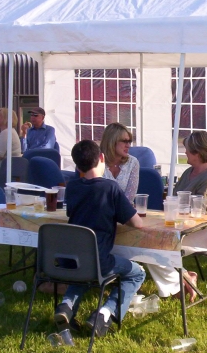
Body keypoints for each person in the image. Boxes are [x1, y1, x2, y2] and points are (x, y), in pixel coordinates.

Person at [54, 140, 145, 337]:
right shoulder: (110, 188)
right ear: (102, 158)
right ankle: (104, 314)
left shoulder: (72, 187)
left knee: (84, 271)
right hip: (99, 260)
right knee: (137, 274)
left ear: (78, 167)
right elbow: (137, 223)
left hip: (71, 258)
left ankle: (66, 306)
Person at [148, 131, 207, 302]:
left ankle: (180, 283)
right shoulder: (189, 172)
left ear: (197, 153)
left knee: (153, 244)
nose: (184, 152)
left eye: (187, 149)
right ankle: (183, 278)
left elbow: (205, 219)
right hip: (180, 226)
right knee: (146, 243)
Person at [100, 122, 140, 202]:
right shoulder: (96, 161)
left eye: (129, 142)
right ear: (112, 141)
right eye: (125, 141)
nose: (128, 145)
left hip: (124, 209)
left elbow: (129, 198)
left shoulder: (133, 163)